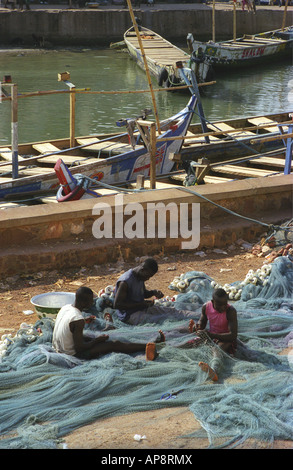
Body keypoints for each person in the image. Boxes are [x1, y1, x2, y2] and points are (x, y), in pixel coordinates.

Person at [52, 286, 164, 361]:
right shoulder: (77, 319)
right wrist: (97, 340)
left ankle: (145, 344)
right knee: (113, 344)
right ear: (84, 302)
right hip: (72, 355)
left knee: (93, 336)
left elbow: (70, 327)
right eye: (91, 300)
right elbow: (80, 348)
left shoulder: (66, 307)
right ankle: (147, 346)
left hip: (58, 348)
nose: (92, 302)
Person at [190, 288, 238, 381]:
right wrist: (198, 326)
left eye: (225, 304)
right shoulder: (206, 307)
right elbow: (202, 322)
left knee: (217, 349)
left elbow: (233, 335)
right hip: (211, 335)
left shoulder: (230, 311)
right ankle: (161, 349)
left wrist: (212, 335)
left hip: (226, 338)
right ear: (212, 302)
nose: (223, 307)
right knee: (190, 343)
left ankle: (214, 371)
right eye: (220, 305)